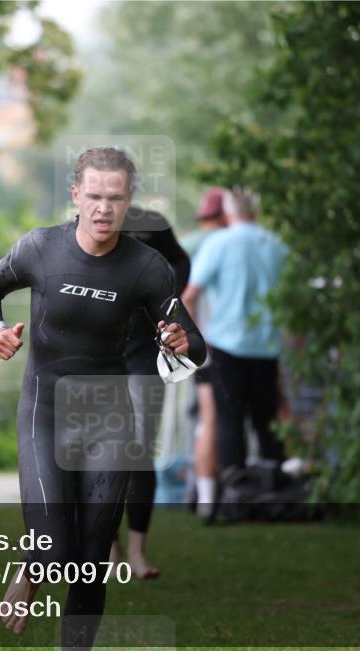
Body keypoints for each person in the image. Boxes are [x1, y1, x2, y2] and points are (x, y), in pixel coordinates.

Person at [0, 147, 206, 651]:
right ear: (76, 195)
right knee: (55, 550)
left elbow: (194, 341)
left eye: (115, 198)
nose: (104, 208)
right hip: (46, 412)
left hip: (107, 415)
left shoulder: (148, 268)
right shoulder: (40, 249)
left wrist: (184, 343)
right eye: (94, 196)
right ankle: (35, 565)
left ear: (128, 202)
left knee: (93, 554)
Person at [182, 187, 289, 482]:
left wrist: (197, 338)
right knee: (266, 420)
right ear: (257, 211)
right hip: (267, 346)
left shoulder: (220, 243)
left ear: (229, 212)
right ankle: (275, 484)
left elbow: (189, 295)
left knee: (229, 419)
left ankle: (235, 484)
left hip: (226, 345)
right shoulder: (276, 245)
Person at [108, 206, 191, 579]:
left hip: (146, 354)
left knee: (139, 449)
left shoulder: (152, 224)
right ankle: (109, 552)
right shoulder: (83, 226)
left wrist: (168, 303)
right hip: (100, 356)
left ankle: (138, 554)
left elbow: (181, 261)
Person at [179, 188, 228, 517]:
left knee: (199, 417)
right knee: (213, 418)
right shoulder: (222, 243)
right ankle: (208, 499)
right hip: (215, 343)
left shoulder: (186, 244)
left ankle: (197, 489)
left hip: (186, 343)